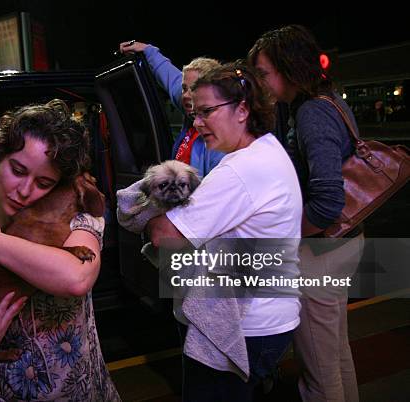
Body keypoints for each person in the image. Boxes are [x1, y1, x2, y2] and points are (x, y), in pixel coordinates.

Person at [0, 99, 120, 401]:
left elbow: (76, 280)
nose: (25, 190)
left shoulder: (78, 223)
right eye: (17, 169)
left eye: (44, 182)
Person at [146, 62, 303, 401]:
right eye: (194, 113)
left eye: (206, 112)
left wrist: (145, 210)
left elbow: (165, 237)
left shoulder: (239, 171)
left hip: (240, 329)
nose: (196, 122)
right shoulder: (269, 148)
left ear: (243, 110)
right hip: (271, 319)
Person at [248, 25, 365, 402]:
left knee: (318, 372)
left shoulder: (312, 112)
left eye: (264, 74)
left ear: (289, 68)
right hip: (345, 244)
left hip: (321, 253)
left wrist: (283, 235)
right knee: (336, 353)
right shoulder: (328, 100)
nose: (261, 83)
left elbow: (328, 201)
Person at [118, 41, 224, 177]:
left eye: (193, 89)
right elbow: (171, 78)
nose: (185, 95)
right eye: (184, 88)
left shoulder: (220, 140)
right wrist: (147, 50)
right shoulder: (190, 110)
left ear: (214, 91)